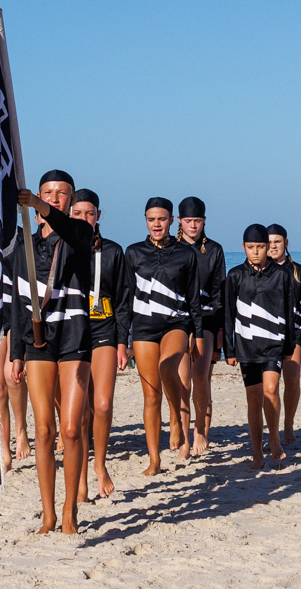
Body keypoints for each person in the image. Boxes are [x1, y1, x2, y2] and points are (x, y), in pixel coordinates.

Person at [9, 170, 95, 534]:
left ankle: (70, 508)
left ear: (71, 200)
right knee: (43, 430)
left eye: (62, 193)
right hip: (38, 342)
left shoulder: (80, 234)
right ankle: (48, 514)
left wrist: (40, 206)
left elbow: (69, 229)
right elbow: (17, 303)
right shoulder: (24, 247)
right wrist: (16, 352)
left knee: (71, 429)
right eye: (48, 193)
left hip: (74, 337)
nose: (55, 197)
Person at [125, 197, 204, 473]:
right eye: (151, 219)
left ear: (171, 220)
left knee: (167, 366)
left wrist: (198, 333)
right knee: (150, 396)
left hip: (176, 323)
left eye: (161, 219)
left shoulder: (186, 253)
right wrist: (124, 340)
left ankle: (175, 416)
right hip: (144, 327)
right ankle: (154, 460)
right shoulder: (133, 252)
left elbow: (194, 297)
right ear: (146, 221)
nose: (156, 224)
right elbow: (126, 298)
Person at [70, 188, 131, 499]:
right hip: (72, 332)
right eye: (77, 213)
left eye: (89, 213)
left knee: (102, 404)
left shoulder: (113, 251)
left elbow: (123, 300)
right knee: (80, 412)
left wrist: (123, 342)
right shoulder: (62, 247)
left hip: (104, 328)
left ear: (98, 216)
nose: (84, 218)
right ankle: (80, 473)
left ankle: (100, 464)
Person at [224, 225, 295, 469]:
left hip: (274, 344)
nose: (255, 252)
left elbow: (289, 311)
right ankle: (257, 451)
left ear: (268, 247)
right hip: (247, 346)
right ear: (243, 247)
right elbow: (228, 314)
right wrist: (229, 350)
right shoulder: (235, 275)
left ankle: (274, 437)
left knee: (271, 390)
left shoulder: (282, 275)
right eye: (251, 247)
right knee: (254, 399)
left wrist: (289, 346)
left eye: (261, 247)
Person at [176, 196, 225, 455]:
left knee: (200, 376)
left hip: (206, 319)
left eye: (197, 220)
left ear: (204, 221)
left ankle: (201, 430)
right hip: (179, 319)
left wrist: (220, 332)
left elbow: (219, 293)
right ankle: (184, 437)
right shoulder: (171, 248)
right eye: (188, 221)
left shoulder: (214, 250)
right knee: (182, 381)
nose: (193, 225)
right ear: (179, 221)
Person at [266, 224, 301, 444]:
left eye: (277, 242)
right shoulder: (259, 271)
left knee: (292, 379)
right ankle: (272, 428)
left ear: (286, 243)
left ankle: (288, 424)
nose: (273, 246)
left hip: (293, 334)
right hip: (266, 334)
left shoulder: (299, 272)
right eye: (269, 242)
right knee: (270, 385)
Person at [0, 225, 31, 475]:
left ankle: (21, 429)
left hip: (19, 313)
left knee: (13, 378)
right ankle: (4, 448)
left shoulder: (23, 238)